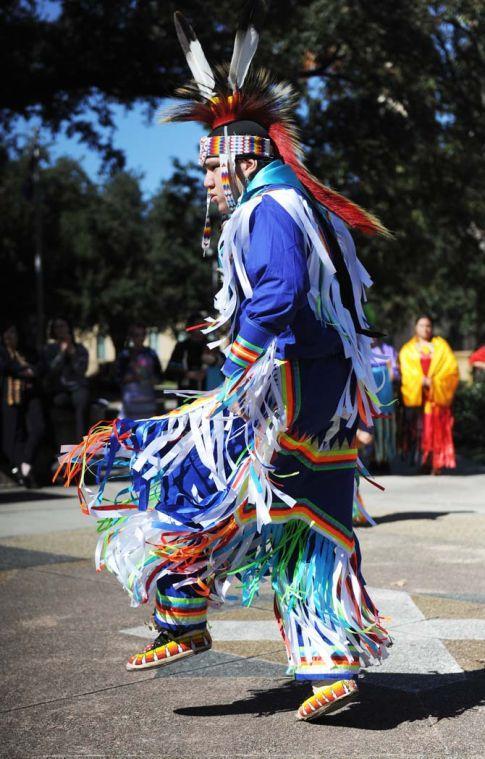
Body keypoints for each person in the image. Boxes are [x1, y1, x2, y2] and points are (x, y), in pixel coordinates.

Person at [58, 8, 391, 722]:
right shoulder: (295, 201)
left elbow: (279, 288)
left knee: (181, 476)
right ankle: (330, 669)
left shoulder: (265, 207)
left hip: (285, 390)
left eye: (211, 165)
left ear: (241, 156)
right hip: (325, 394)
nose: (207, 179)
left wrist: (237, 361)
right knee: (309, 520)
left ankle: (181, 614)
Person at [399, 315, 459, 474]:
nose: (425, 329)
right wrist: (420, 380)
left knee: (437, 432)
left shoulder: (441, 346)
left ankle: (436, 463)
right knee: (421, 431)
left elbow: (451, 370)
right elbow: (406, 372)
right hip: (419, 398)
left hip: (436, 398)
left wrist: (435, 382)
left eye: (428, 326)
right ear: (415, 328)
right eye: (421, 325)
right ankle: (423, 462)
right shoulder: (408, 349)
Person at [0, 324, 45, 488]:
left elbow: (40, 366)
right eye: (7, 332)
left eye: (13, 332)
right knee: (14, 435)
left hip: (31, 394)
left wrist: (30, 371)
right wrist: (23, 371)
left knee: (38, 428)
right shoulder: (3, 352)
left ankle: (26, 463)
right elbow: (5, 367)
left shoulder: (28, 351)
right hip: (11, 396)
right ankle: (23, 471)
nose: (10, 336)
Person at [42, 318, 89, 441]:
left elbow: (81, 371)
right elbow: (51, 370)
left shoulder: (80, 349)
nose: (60, 330)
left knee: (80, 402)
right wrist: (62, 353)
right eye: (57, 327)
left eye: (63, 326)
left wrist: (72, 354)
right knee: (57, 403)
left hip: (78, 388)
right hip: (60, 390)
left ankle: (82, 444)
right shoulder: (49, 349)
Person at [116, 324, 162, 419]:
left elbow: (160, 376)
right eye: (136, 335)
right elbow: (118, 377)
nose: (140, 338)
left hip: (148, 403)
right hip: (130, 404)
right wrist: (134, 377)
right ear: (131, 337)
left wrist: (153, 379)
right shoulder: (125, 355)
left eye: (142, 334)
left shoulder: (151, 353)